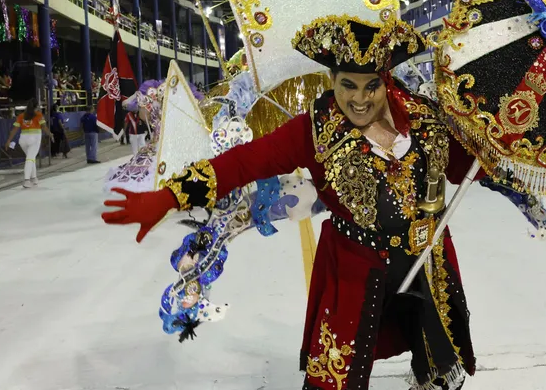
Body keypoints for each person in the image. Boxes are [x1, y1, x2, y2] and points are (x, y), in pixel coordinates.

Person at [102, 19, 479, 390]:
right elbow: (243, 162)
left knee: (439, 367)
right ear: (333, 81)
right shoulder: (313, 130)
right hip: (356, 270)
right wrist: (168, 197)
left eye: (371, 87)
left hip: (428, 262)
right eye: (348, 85)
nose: (359, 99)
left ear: (387, 82)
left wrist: (489, 146)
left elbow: (465, 169)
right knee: (337, 376)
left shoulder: (425, 119)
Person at [5, 99, 50, 188]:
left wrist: (8, 140)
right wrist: (50, 134)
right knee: (30, 159)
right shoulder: (39, 115)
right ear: (37, 106)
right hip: (34, 138)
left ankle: (34, 178)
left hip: (23, 139)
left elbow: (14, 129)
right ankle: (26, 180)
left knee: (31, 157)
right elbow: (44, 127)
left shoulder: (21, 116)